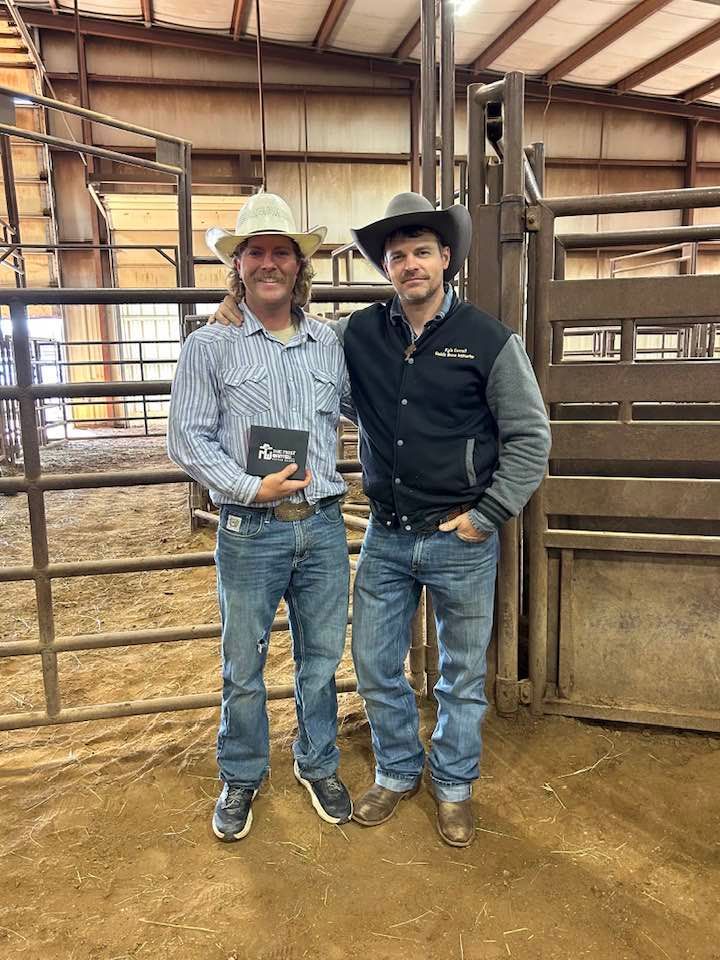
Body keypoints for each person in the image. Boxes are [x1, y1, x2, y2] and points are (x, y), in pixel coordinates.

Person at [211, 191, 551, 848]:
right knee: (372, 660)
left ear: (445, 258)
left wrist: (488, 514)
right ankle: (398, 770)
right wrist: (238, 312)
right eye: (398, 256)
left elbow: (530, 436)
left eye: (422, 251)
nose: (410, 264)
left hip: (461, 534)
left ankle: (452, 784)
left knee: (459, 671)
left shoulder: (488, 339)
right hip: (388, 534)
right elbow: (293, 345)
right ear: (387, 267)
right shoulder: (357, 333)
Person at [167, 193, 353, 842]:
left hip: (324, 525)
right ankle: (242, 773)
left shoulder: (330, 343)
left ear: (301, 266)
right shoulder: (210, 347)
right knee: (242, 663)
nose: (269, 263)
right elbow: (188, 439)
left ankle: (316, 760)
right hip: (251, 531)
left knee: (322, 658)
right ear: (238, 265)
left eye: (282, 252)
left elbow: (369, 410)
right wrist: (250, 486)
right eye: (256, 251)